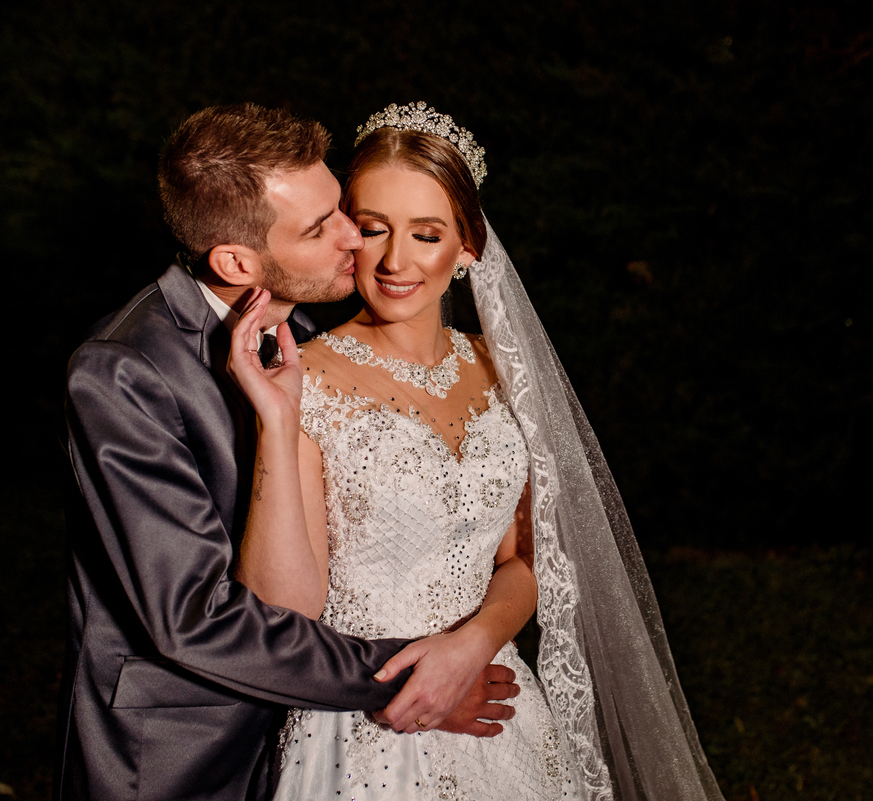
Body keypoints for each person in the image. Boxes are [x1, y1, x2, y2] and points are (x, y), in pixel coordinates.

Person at [228, 102, 726, 800]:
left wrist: (474, 643)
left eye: (426, 234)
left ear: (466, 248)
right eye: (373, 229)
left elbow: (527, 559)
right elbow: (283, 609)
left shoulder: (501, 368)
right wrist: (278, 424)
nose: (396, 260)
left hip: (496, 700)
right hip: (365, 729)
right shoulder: (303, 375)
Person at [60, 103, 520, 801]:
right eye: (323, 227)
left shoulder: (298, 322)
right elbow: (195, 617)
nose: (354, 240)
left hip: (309, 728)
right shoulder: (122, 372)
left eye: (343, 210)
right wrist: (411, 679)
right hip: (184, 753)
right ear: (236, 260)